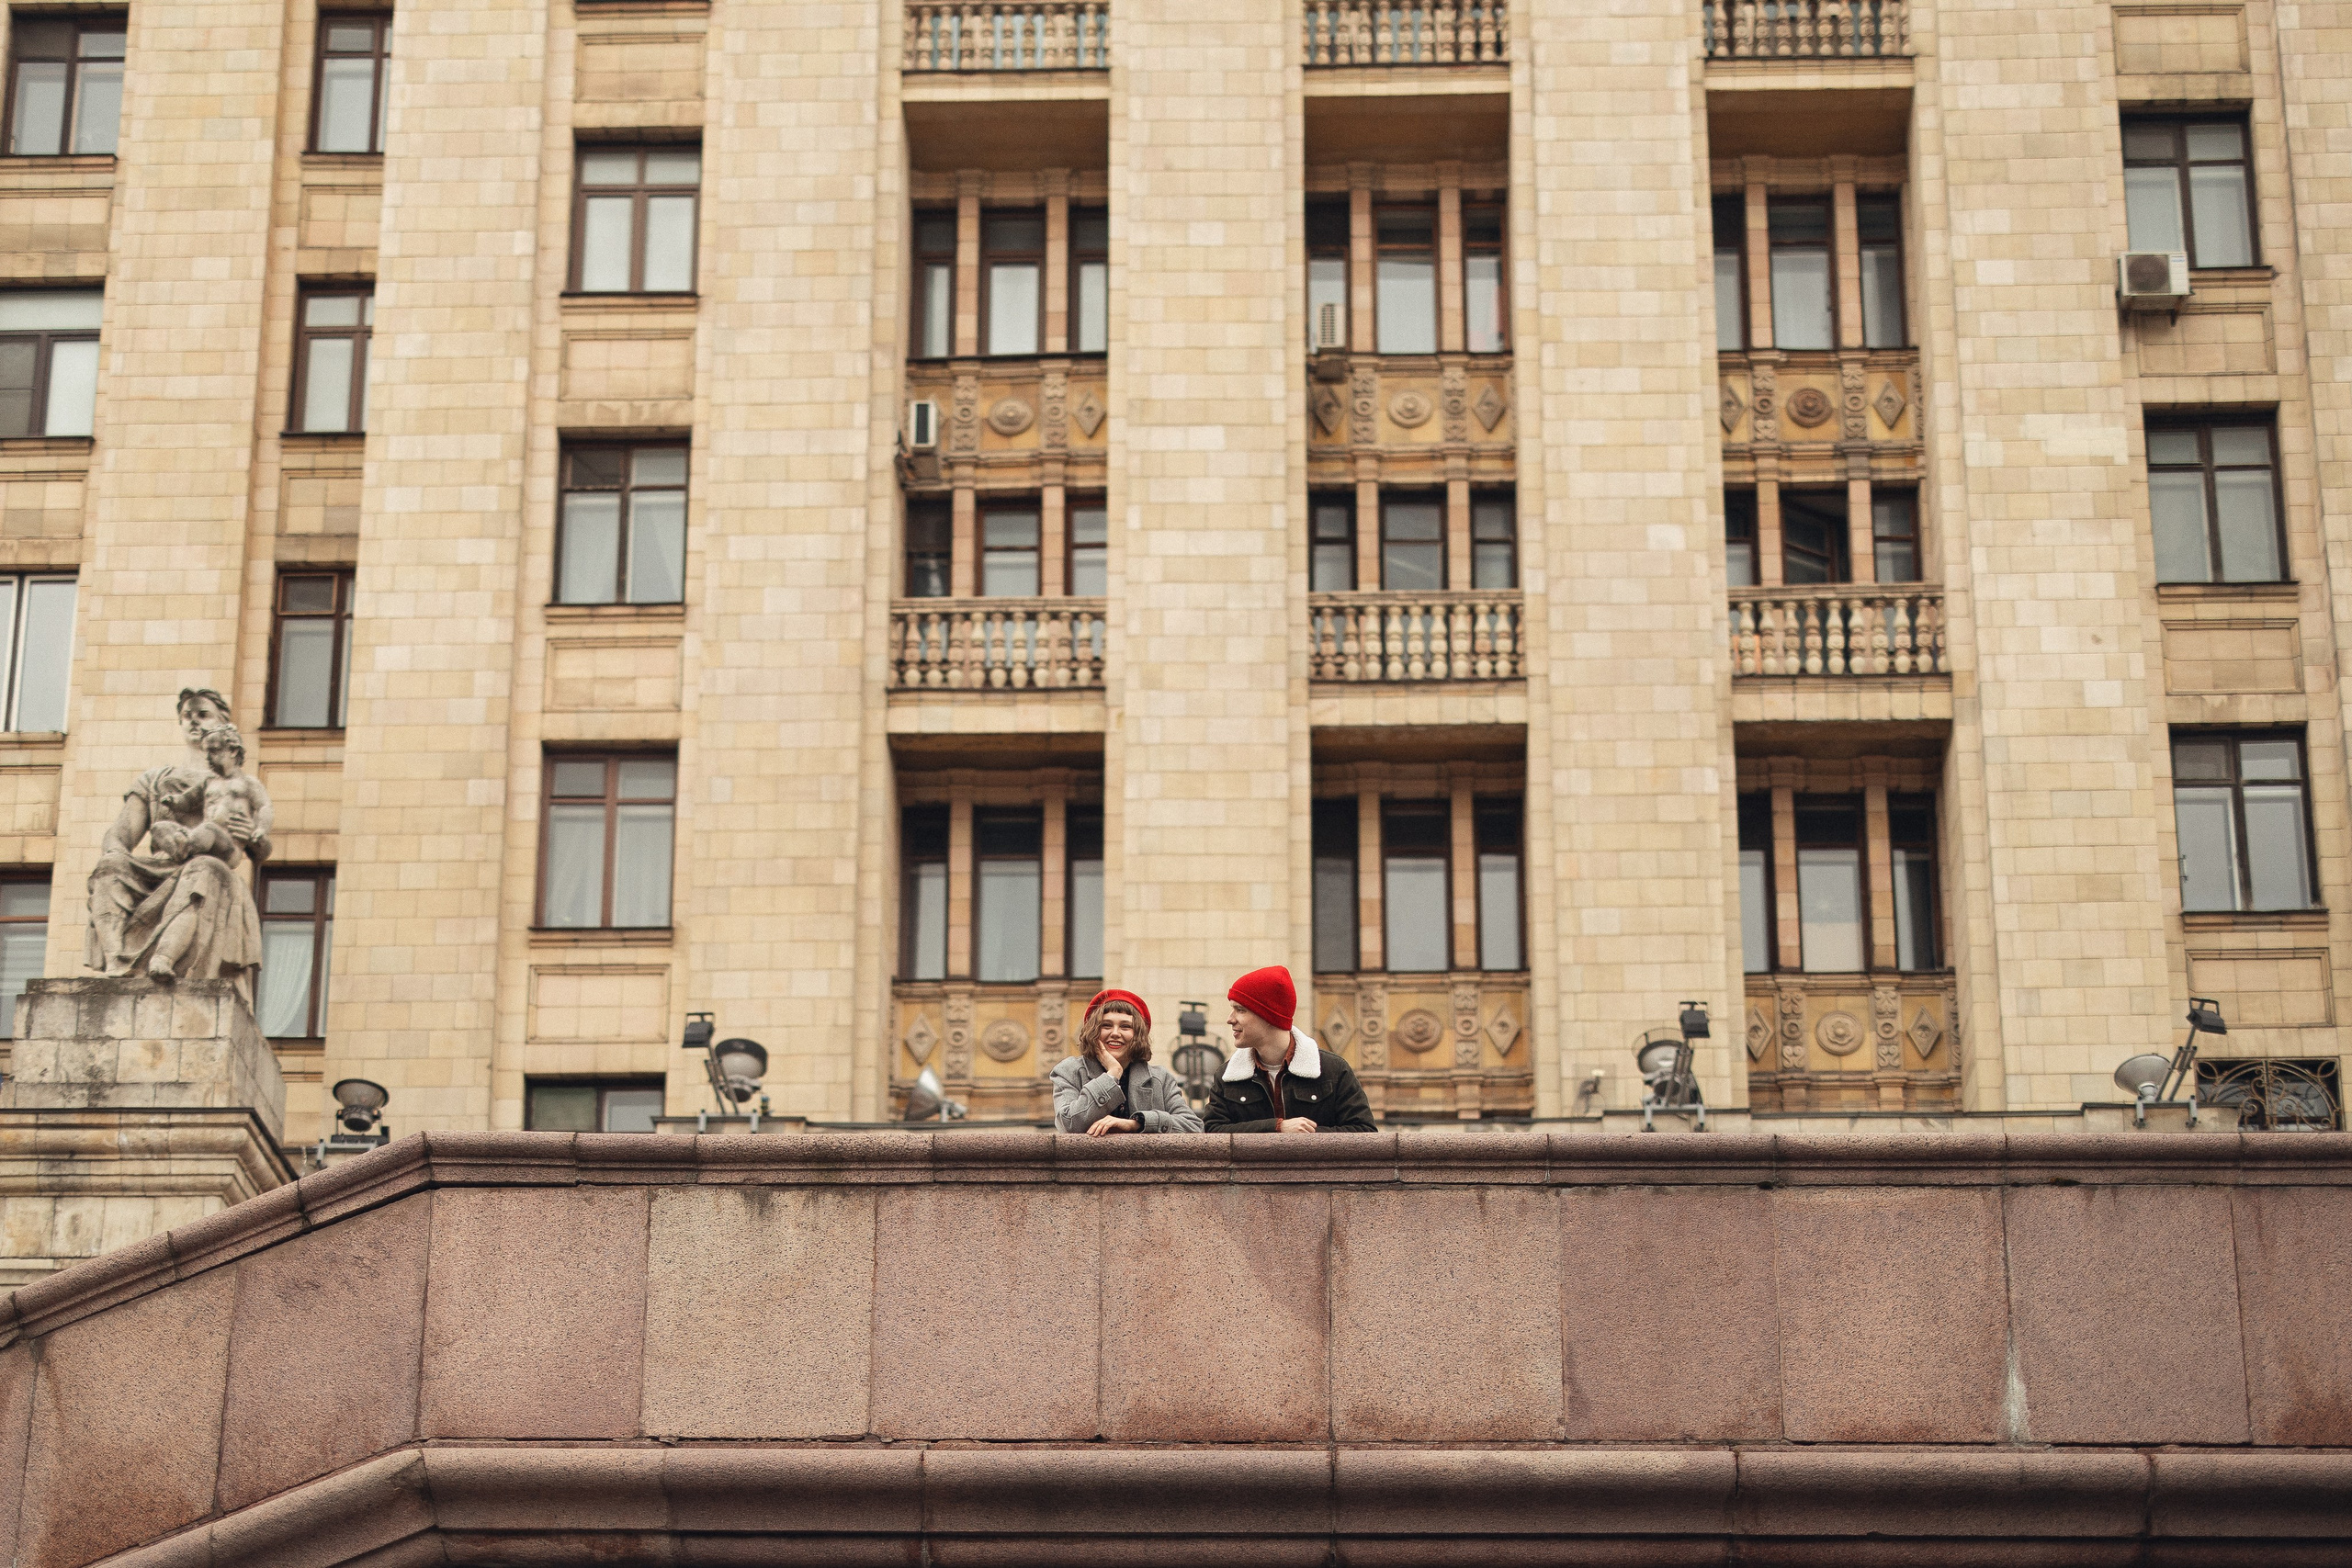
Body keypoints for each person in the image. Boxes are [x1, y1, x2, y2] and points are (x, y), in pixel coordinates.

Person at [85, 689, 269, 1001]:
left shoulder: (240, 782)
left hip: (210, 866)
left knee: (202, 868)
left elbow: (260, 851)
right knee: (109, 868)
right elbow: (120, 833)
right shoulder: (155, 780)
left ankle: (166, 957)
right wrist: (115, 850)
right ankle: (118, 960)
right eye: (188, 716)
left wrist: (257, 836)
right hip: (159, 863)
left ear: (224, 724)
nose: (194, 722)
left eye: (204, 715)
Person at [1202, 964, 1374, 1134]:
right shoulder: (1227, 1076)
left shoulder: (1333, 1070)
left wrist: (1303, 1137)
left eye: (1240, 1010)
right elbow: (1212, 1132)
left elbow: (1364, 1132)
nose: (1230, 1019)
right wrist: (1277, 1127)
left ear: (1269, 1015)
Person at [1051, 989, 1204, 1135]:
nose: (1115, 1033)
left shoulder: (1160, 1078)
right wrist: (1112, 1075)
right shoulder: (1068, 1071)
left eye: (1125, 1027)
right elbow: (1068, 1123)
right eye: (1106, 1025)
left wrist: (1137, 1123)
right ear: (1093, 1031)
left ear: (1137, 1034)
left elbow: (1193, 1126)